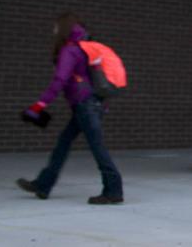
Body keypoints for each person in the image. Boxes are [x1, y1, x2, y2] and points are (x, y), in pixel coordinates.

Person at [16, 13, 123, 204]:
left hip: (85, 105)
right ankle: (43, 184)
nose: (54, 31)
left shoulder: (70, 50)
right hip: (88, 105)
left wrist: (40, 104)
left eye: (56, 27)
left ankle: (113, 190)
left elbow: (60, 79)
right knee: (63, 143)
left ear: (64, 29)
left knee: (97, 147)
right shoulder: (81, 48)